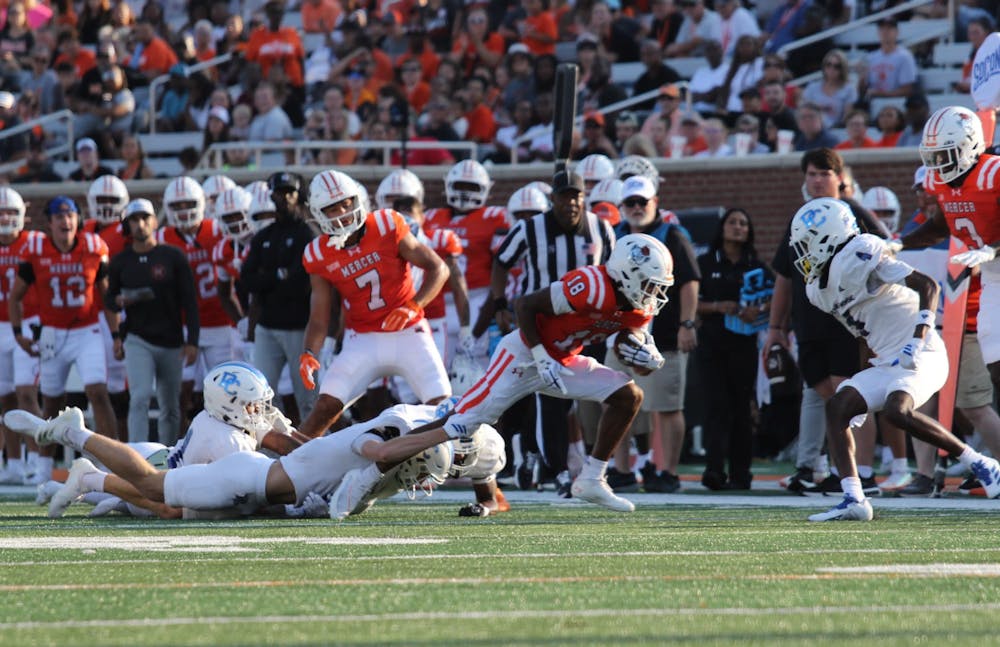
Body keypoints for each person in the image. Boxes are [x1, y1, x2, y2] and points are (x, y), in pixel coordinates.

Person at [346, 233, 673, 514]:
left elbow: (625, 345)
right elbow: (526, 306)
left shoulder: (638, 307)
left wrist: (644, 357)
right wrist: (541, 354)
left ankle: (591, 478)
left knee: (628, 396)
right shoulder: (591, 284)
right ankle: (370, 473)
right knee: (460, 422)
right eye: (649, 284)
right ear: (626, 272)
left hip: (562, 362)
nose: (653, 294)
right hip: (523, 353)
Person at [788, 197, 1000, 521]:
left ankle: (980, 463)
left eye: (807, 244)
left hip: (923, 351)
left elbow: (928, 286)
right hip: (886, 361)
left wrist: (917, 339)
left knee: (895, 409)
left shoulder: (861, 253)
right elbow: (862, 333)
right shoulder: (817, 289)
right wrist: (860, 382)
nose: (802, 254)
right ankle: (854, 499)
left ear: (828, 236)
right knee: (838, 406)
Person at [4, 396, 500, 521]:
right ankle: (78, 434)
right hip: (252, 478)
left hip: (263, 488)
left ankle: (92, 478)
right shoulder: (380, 442)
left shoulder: (400, 444)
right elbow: (373, 462)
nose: (425, 481)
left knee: (164, 500)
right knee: (158, 491)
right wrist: (449, 432)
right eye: (428, 470)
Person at [766, 148, 887, 495]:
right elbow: (785, 277)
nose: (818, 180)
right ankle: (841, 469)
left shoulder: (854, 214)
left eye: (824, 173)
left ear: (839, 177)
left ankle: (862, 472)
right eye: (812, 174)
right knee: (825, 392)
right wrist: (776, 328)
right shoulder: (800, 218)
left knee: (850, 394)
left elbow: (884, 250)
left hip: (848, 321)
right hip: (809, 323)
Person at [487, 170, 616, 497]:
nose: (570, 202)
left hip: (588, 327)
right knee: (550, 398)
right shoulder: (530, 229)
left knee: (595, 396)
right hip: (543, 324)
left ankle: (581, 463)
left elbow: (613, 275)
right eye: (564, 196)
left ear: (584, 198)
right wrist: (500, 303)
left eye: (577, 195)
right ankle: (558, 469)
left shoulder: (602, 228)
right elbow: (501, 262)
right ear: (553, 198)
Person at [296, 169, 452, 438]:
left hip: (409, 332)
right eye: (333, 208)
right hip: (362, 339)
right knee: (324, 407)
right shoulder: (317, 253)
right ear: (320, 214)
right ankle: (284, 474)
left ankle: (484, 475)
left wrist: (414, 305)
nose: (344, 211)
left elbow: (438, 268)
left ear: (358, 199)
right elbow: (319, 317)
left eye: (347, 202)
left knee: (444, 409)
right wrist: (309, 352)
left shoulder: (387, 224)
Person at [8, 195, 119, 489]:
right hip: (52, 333)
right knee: (53, 401)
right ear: (50, 222)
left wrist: (116, 334)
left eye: (70, 215)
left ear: (77, 220)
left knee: (97, 390)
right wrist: (19, 333)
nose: (65, 220)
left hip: (87, 330)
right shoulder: (36, 250)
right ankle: (44, 467)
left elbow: (107, 296)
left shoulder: (94, 247)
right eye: (59, 216)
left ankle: (112, 463)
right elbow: (15, 296)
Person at [608, 177, 699, 494]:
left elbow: (689, 282)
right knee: (615, 400)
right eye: (629, 203)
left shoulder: (672, 235)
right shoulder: (614, 236)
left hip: (662, 333)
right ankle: (621, 470)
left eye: (641, 202)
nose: (636, 208)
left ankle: (667, 471)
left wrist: (687, 324)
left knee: (668, 406)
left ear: (655, 203)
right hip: (619, 334)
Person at [904, 106, 1000, 397]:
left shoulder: (992, 173)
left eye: (944, 155)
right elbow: (942, 222)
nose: (937, 164)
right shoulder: (941, 182)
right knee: (995, 359)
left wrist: (992, 250)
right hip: (994, 276)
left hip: (991, 261)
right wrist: (900, 243)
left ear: (968, 146)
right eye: (932, 156)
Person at [105, 199, 199, 446]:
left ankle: (167, 458)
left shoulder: (173, 256)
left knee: (171, 405)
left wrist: (193, 342)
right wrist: (116, 333)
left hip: (171, 340)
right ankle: (138, 455)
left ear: (155, 222)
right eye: (134, 220)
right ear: (128, 225)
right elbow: (109, 301)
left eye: (145, 218)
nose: (140, 224)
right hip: (137, 339)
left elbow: (189, 301)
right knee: (140, 396)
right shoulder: (120, 262)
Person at [694, 208, 771, 490]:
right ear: (722, 228)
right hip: (711, 344)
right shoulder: (705, 262)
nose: (737, 227)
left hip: (744, 344)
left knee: (741, 408)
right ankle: (714, 470)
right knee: (716, 407)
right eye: (732, 222)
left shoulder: (757, 266)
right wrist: (718, 307)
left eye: (743, 223)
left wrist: (759, 310)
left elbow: (776, 297)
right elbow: (690, 301)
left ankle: (741, 473)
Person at [156, 177, 232, 426]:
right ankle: (181, 444)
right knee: (181, 391)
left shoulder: (218, 230)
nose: (183, 210)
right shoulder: (162, 237)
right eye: (177, 205)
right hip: (184, 325)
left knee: (224, 392)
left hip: (219, 322)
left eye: (188, 203)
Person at [241, 172, 315, 423]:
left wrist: (269, 278)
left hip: (299, 327)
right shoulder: (264, 236)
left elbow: (300, 284)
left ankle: (318, 450)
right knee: (259, 395)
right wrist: (280, 275)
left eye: (289, 192)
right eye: (279, 192)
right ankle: (269, 454)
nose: (284, 198)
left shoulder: (308, 234)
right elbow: (247, 279)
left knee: (308, 397)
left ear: (299, 196)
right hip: (267, 326)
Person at [424, 160, 508, 367]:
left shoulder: (495, 217)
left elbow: (503, 264)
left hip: (477, 298)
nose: (464, 192)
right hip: (438, 302)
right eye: (460, 186)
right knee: (436, 366)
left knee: (473, 366)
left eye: (471, 187)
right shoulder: (431, 217)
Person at [0, 187, 42, 485]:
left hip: (27, 323)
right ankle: (13, 464)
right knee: (4, 398)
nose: (5, 218)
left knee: (27, 395)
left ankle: (37, 461)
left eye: (11, 212)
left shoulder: (36, 243)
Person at [84, 175, 131, 439]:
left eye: (111, 200)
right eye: (101, 199)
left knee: (119, 385)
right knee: (100, 385)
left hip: (119, 310)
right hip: (92, 313)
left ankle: (125, 444)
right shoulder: (85, 229)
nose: (105, 205)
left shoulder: (125, 231)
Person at [858, 17, 917, 101]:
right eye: (882, 28)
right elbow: (863, 92)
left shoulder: (905, 57)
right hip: (873, 103)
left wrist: (879, 94)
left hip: (896, 104)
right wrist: (861, 78)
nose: (885, 31)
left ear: (897, 32)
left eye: (889, 28)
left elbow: (908, 90)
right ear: (878, 32)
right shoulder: (870, 57)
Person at [801, 49, 857, 129]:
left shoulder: (849, 90)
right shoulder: (812, 87)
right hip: (812, 128)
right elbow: (803, 109)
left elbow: (847, 117)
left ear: (843, 69)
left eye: (837, 66)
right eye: (828, 64)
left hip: (836, 129)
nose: (831, 68)